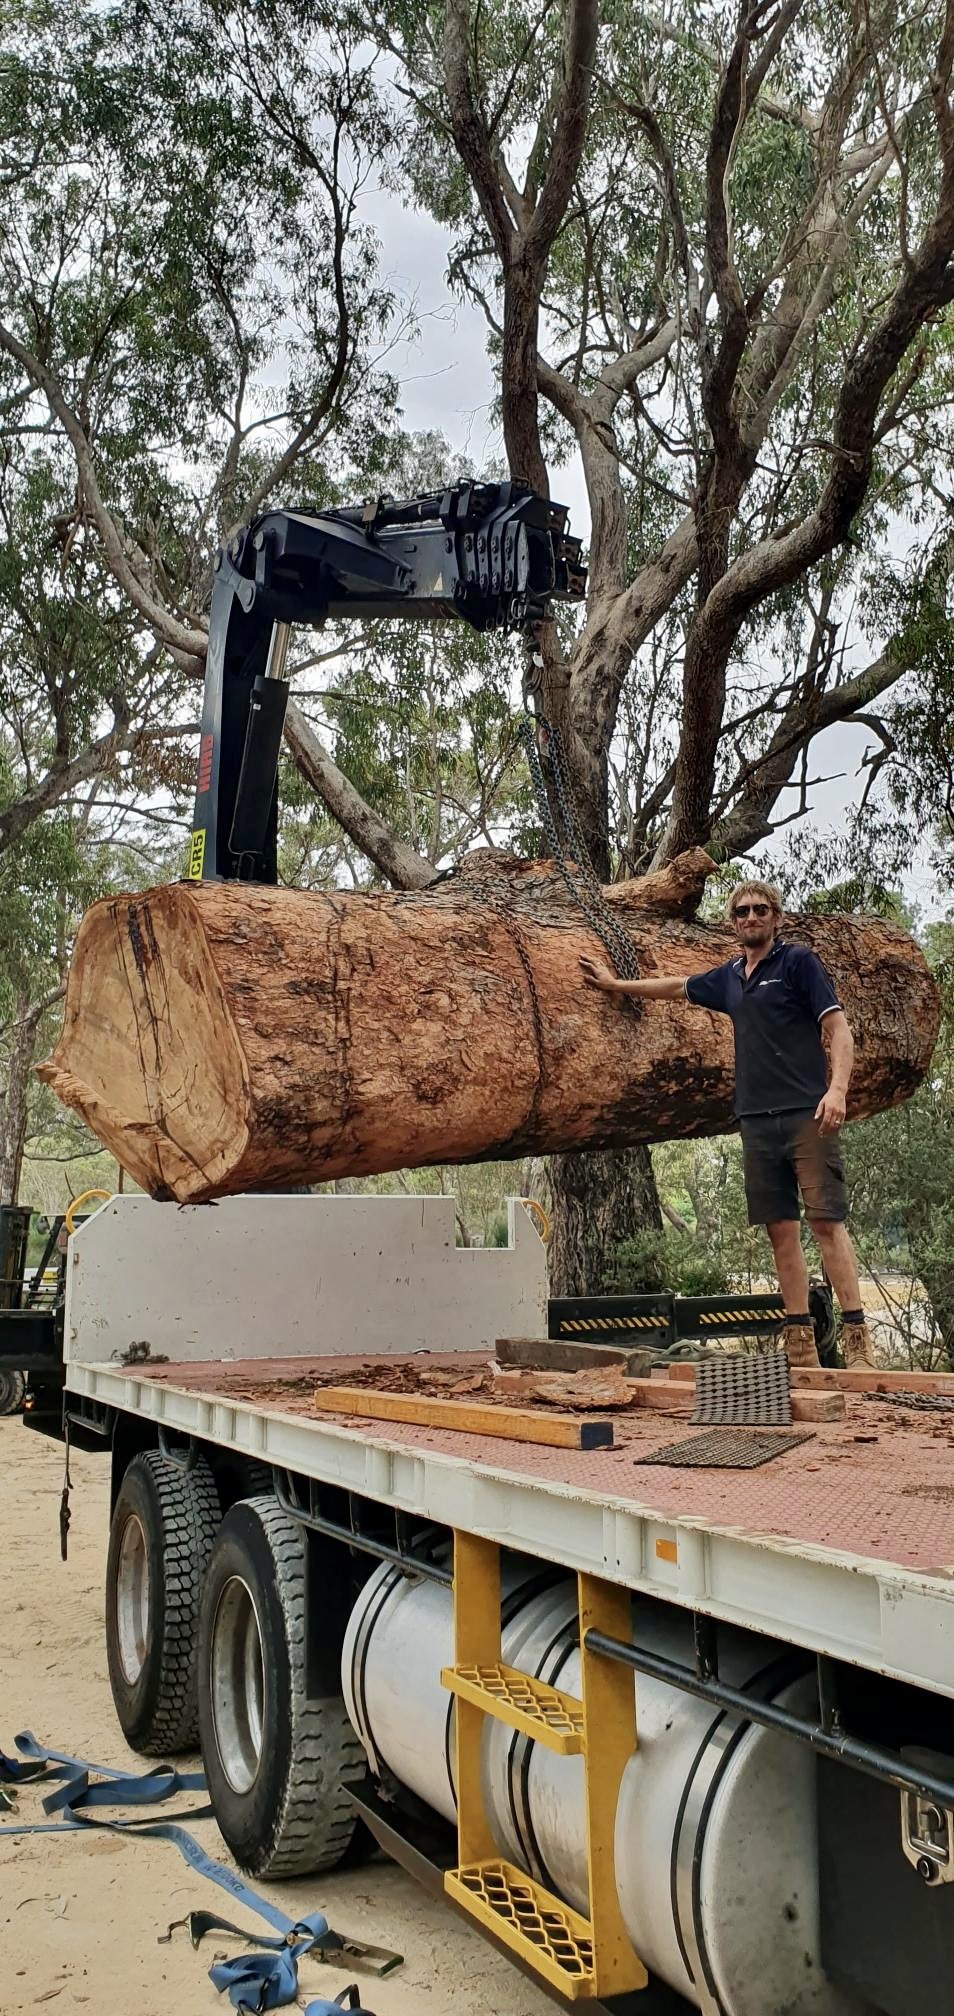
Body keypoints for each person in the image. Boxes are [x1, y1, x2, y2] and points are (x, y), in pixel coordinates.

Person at [579, 877, 875, 1370]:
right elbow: (676, 987)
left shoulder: (798, 963)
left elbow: (838, 1029)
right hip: (756, 1121)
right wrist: (614, 984)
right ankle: (799, 1338)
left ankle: (857, 1337)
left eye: (761, 910)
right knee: (780, 1229)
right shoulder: (731, 977)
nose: (752, 918)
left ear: (776, 918)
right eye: (742, 912)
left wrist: (838, 1090)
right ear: (733, 923)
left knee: (825, 1221)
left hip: (808, 1114)